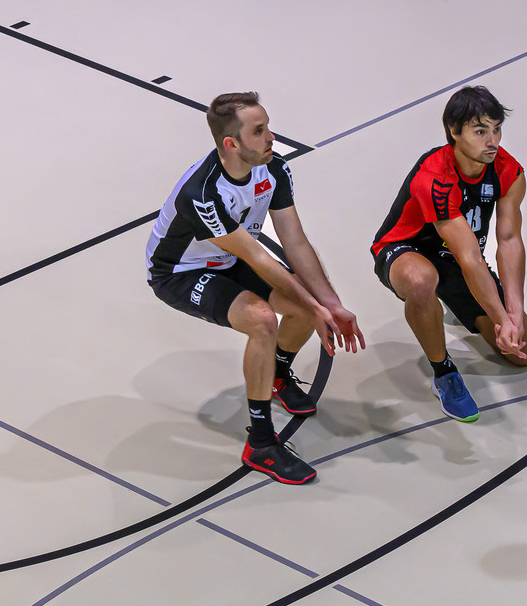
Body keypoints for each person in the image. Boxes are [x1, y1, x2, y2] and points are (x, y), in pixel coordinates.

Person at [146, 92, 364, 485]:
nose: (271, 137)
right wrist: (316, 306)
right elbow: (258, 258)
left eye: (268, 127)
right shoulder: (202, 194)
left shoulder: (274, 168)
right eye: (259, 131)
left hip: (231, 259)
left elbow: (295, 241)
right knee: (263, 320)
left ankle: (277, 373)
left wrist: (330, 303)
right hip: (180, 272)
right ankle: (261, 443)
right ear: (231, 144)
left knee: (303, 305)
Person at [370, 85, 527, 421]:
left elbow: (509, 241)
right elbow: (470, 258)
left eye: (496, 130)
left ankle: (449, 301)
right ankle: (444, 373)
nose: (492, 141)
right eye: (480, 131)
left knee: (526, 353)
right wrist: (501, 317)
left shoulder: (509, 171)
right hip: (406, 249)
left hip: (455, 259)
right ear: (454, 131)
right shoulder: (435, 177)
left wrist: (514, 315)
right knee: (422, 281)